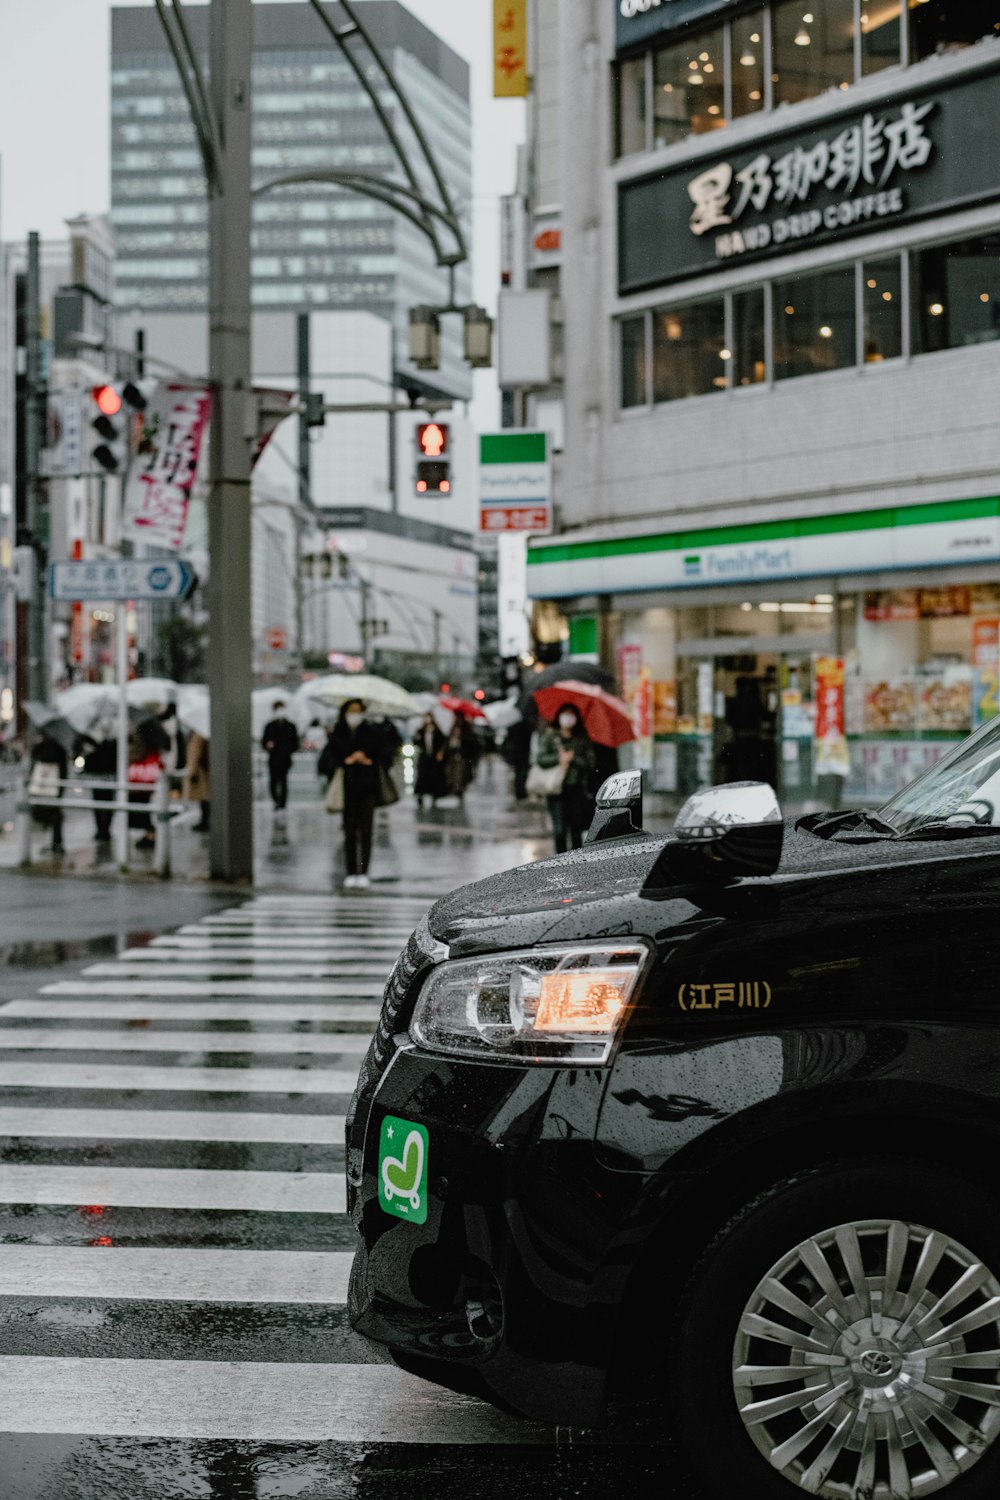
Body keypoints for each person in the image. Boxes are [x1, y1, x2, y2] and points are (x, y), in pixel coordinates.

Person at [318, 699, 394, 889]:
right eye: (351, 711)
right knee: (350, 832)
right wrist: (346, 760)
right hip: (347, 788)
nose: (354, 715)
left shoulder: (372, 732)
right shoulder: (338, 733)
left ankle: (363, 872)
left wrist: (368, 759)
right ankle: (351, 871)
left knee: (366, 831)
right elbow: (326, 760)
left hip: (368, 787)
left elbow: (387, 755)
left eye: (358, 711)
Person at [535, 703, 597, 854]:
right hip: (555, 789)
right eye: (565, 714)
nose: (568, 719)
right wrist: (559, 759)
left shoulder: (582, 738)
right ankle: (560, 859)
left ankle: (575, 860)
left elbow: (590, 762)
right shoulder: (550, 736)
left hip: (576, 789)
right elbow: (541, 759)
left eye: (571, 715)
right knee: (559, 829)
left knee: (576, 829)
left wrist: (573, 758)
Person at [28, 732, 68, 854]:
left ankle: (52, 843)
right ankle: (57, 843)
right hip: (54, 788)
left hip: (41, 787)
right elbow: (64, 772)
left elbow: (34, 762)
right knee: (55, 817)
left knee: (41, 815)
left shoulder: (39, 749)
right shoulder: (60, 750)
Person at [261, 700, 300, 814]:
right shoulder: (269, 726)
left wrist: (287, 749)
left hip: (285, 758)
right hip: (273, 758)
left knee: (283, 781)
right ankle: (276, 800)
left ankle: (282, 803)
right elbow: (264, 742)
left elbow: (295, 743)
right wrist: (268, 745)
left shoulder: (290, 726)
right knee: (273, 781)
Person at [414, 712, 446, 809]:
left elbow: (442, 742)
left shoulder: (437, 731)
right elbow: (416, 743)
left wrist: (440, 753)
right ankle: (420, 796)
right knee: (422, 777)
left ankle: (434, 796)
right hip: (424, 758)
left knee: (434, 778)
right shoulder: (421, 731)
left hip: (433, 759)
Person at [183, 731, 211, 832]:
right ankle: (205, 820)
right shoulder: (202, 734)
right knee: (205, 797)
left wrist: (193, 771)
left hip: (200, 771)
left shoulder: (198, 735)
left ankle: (205, 821)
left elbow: (195, 753)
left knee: (204, 797)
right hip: (203, 770)